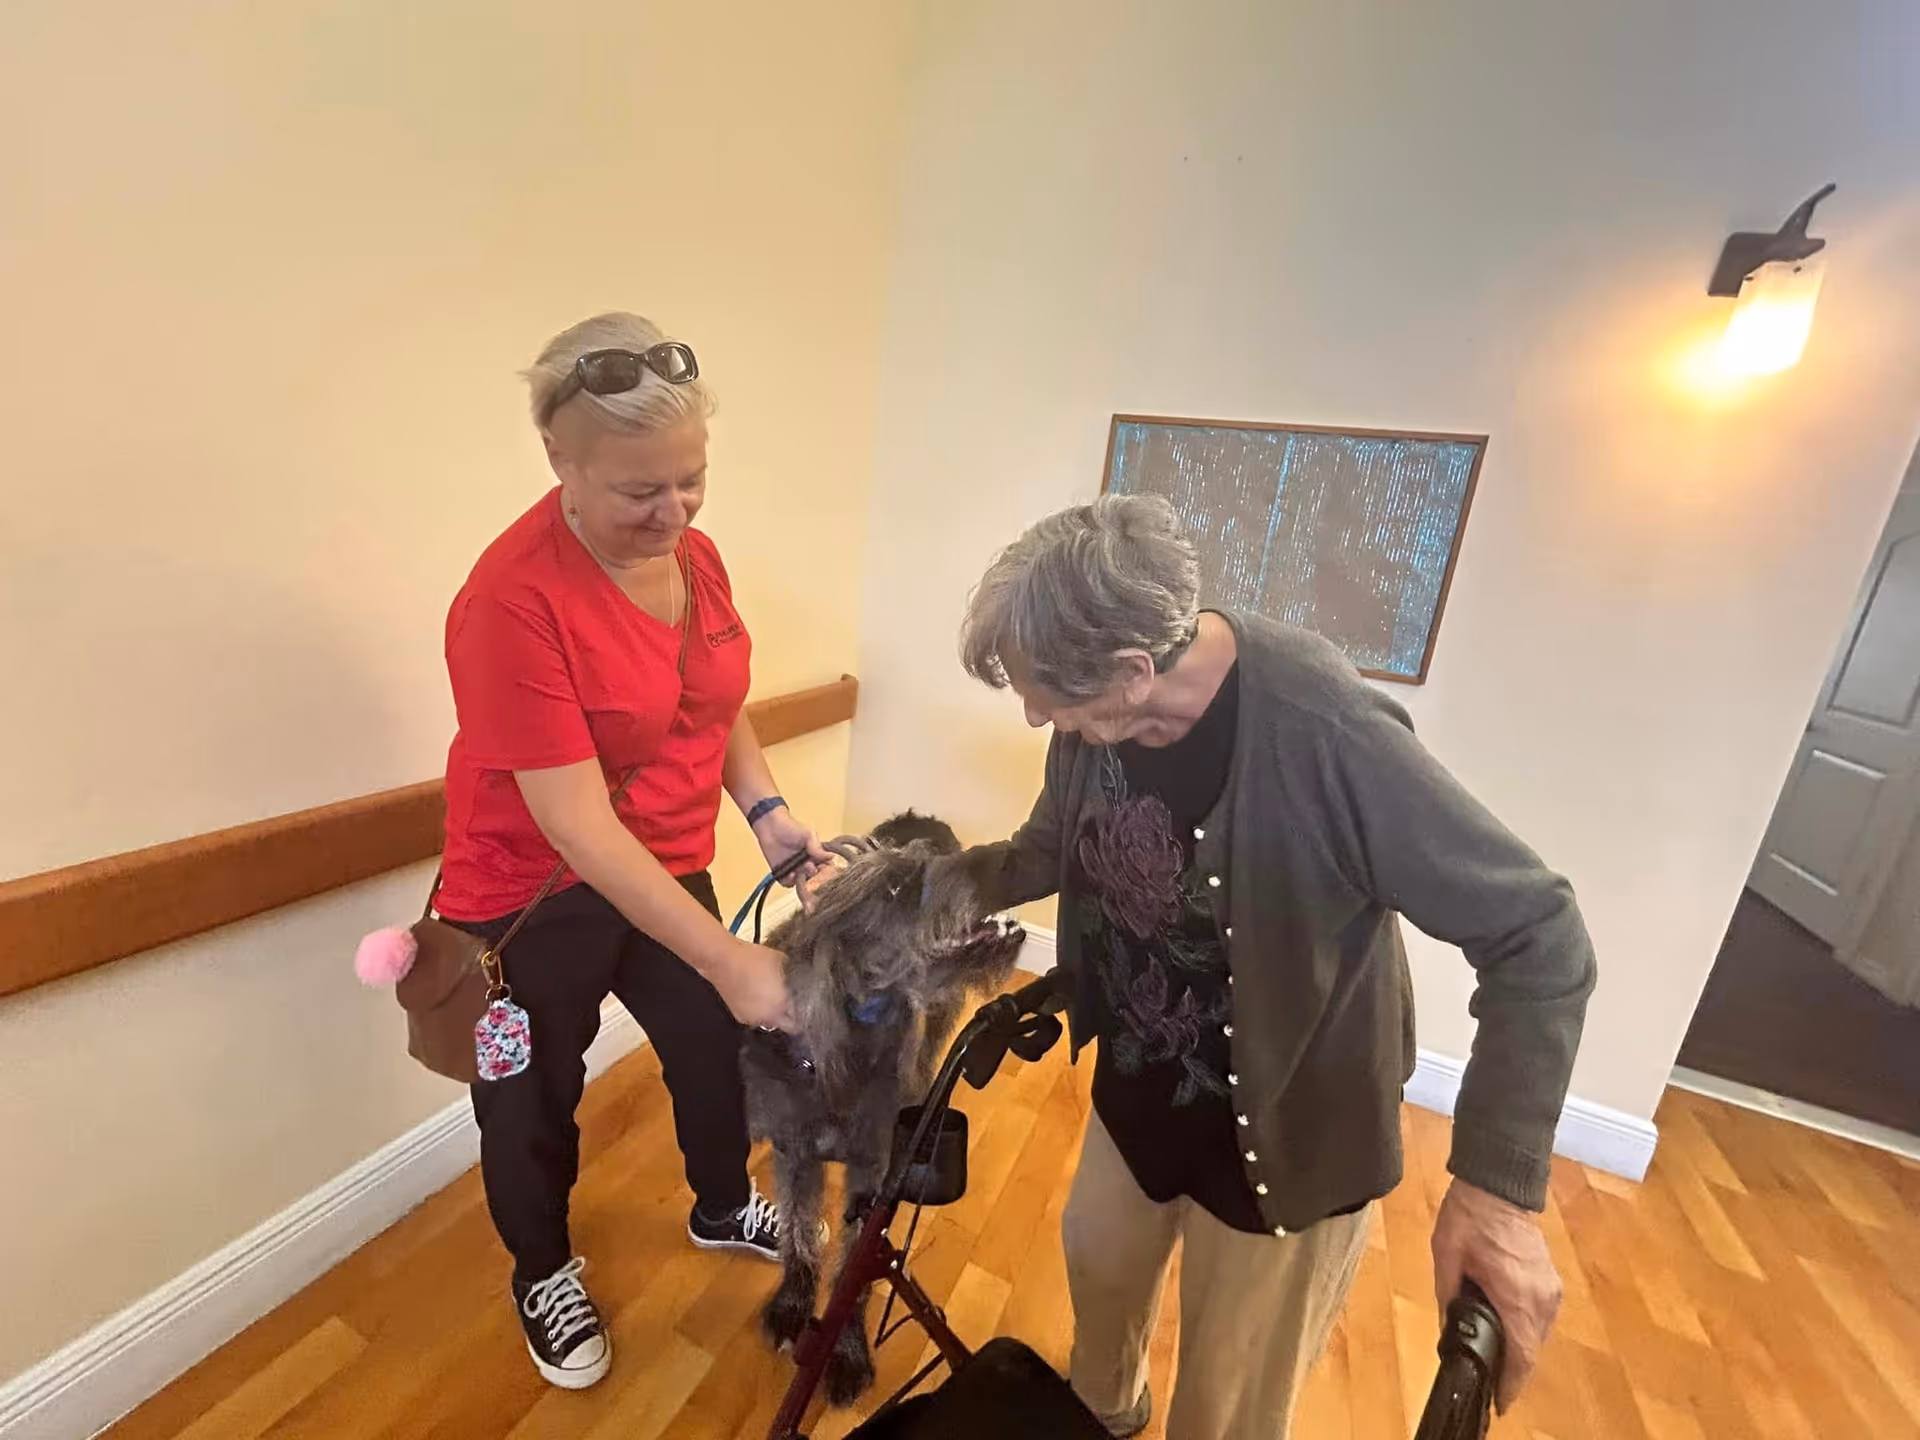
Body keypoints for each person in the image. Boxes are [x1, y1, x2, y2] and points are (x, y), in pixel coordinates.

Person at [958, 495, 1596, 1440]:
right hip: (1140, 1094)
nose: (1035, 715)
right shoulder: (1096, 710)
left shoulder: (1325, 732)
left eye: (1047, 698)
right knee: (1097, 1299)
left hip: (1286, 1136)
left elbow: (1540, 933)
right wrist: (915, 885)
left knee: (1225, 1409)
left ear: (1133, 672)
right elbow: (1049, 848)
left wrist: (1498, 1192)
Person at [434, 312, 827, 1390]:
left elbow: (713, 692)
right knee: (531, 1100)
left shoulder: (694, 556)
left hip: (658, 863)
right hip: (529, 893)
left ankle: (719, 1203)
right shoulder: (510, 602)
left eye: (692, 480)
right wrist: (729, 955)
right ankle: (542, 1269)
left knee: (714, 1045)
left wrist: (766, 813)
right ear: (559, 460)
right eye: (641, 491)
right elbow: (575, 824)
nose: (676, 511)